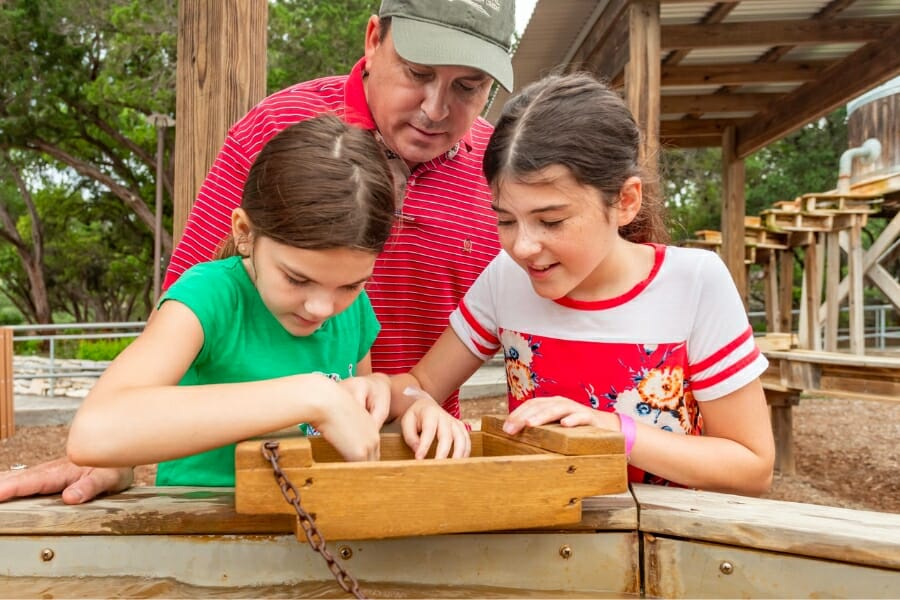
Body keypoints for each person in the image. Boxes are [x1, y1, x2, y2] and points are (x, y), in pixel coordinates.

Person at [0, 0, 514, 502]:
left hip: (381, 491)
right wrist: (114, 458)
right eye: (418, 72)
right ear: (374, 40)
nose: (435, 108)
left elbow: (382, 386)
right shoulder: (273, 130)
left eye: (468, 87)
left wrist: (409, 402)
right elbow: (181, 332)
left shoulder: (501, 171)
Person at [391, 73, 776, 494]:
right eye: (504, 219)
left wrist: (615, 431)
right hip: (545, 543)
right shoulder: (507, 277)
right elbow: (421, 385)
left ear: (626, 201)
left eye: (551, 221)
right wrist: (414, 404)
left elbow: (752, 467)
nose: (522, 246)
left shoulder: (694, 283)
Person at [65, 115, 396, 484]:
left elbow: (360, 418)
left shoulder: (353, 312)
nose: (322, 308)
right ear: (244, 233)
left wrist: (408, 402)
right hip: (202, 532)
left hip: (318, 531)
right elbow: (95, 431)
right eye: (296, 278)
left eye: (351, 286)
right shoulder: (207, 298)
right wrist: (310, 395)